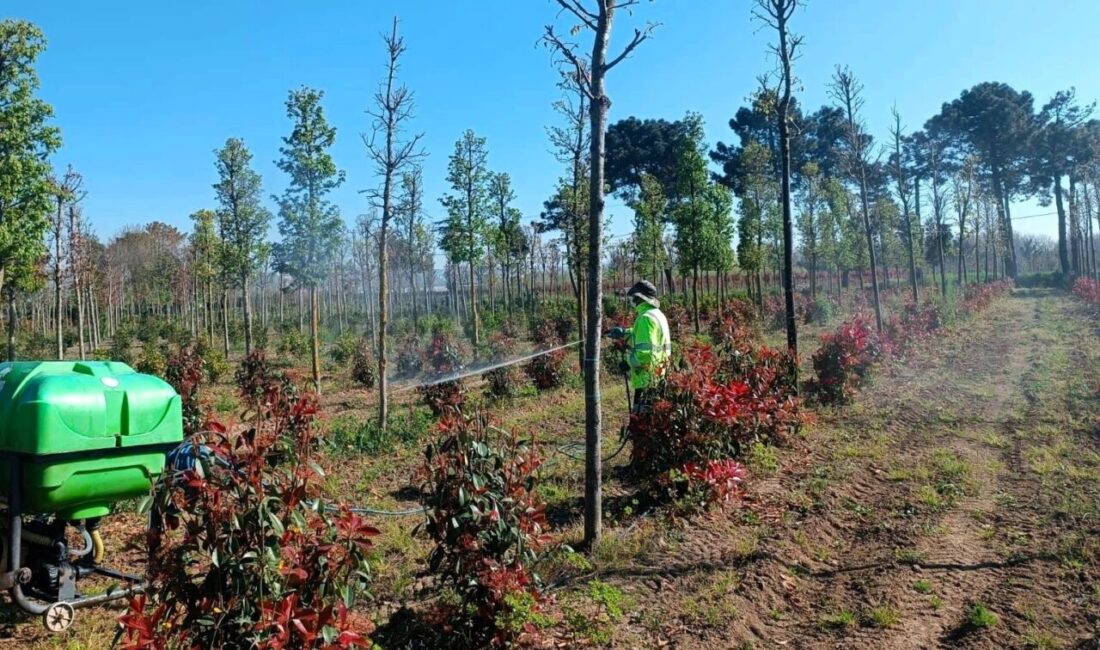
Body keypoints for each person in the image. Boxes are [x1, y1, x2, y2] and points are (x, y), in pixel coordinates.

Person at [606, 280, 672, 412]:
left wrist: (629, 363)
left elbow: (646, 353)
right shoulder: (656, 314)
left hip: (646, 379)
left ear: (639, 298)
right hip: (659, 375)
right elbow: (644, 338)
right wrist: (624, 333)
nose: (632, 301)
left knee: (641, 420)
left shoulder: (645, 318)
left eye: (634, 297)